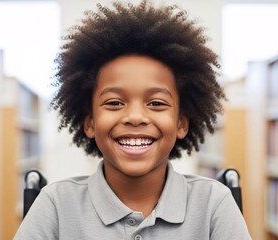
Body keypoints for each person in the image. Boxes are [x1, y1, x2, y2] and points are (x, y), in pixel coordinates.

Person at [14, 1, 251, 239]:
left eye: (156, 103)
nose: (135, 117)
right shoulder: (55, 206)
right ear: (90, 123)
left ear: (181, 123)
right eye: (114, 103)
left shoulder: (214, 205)